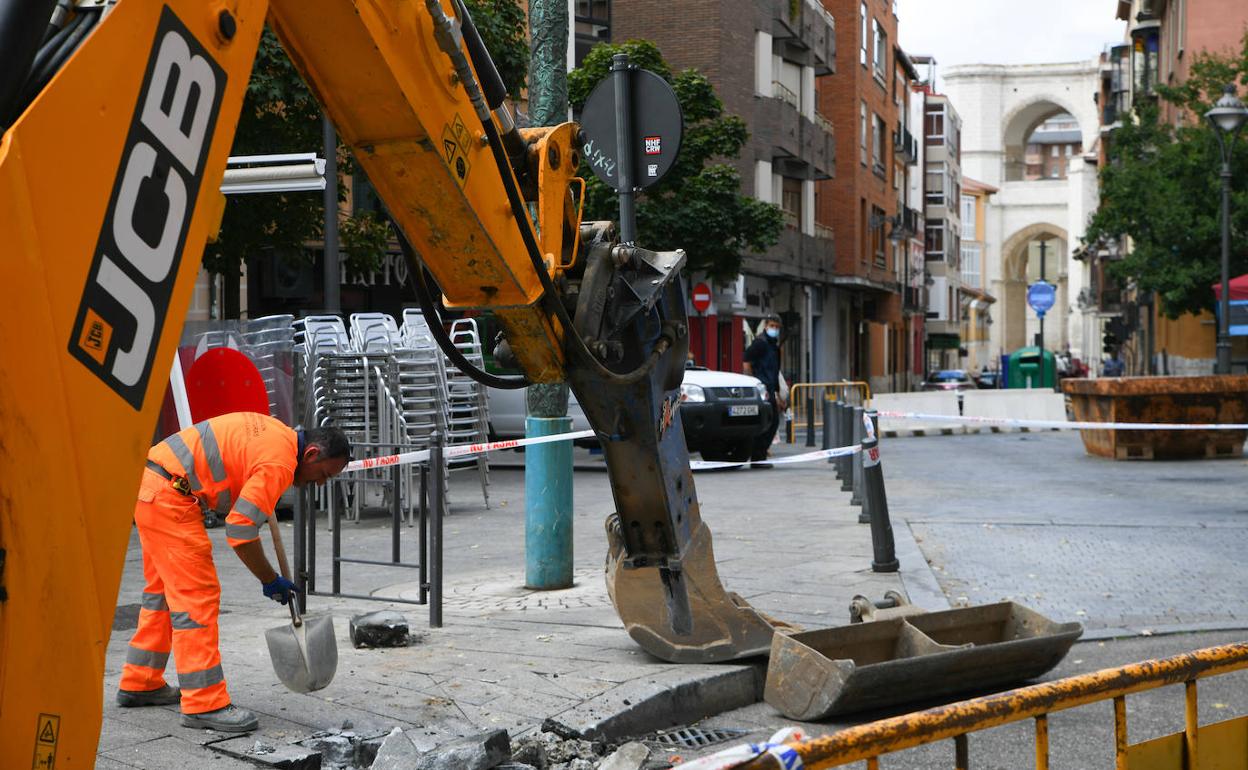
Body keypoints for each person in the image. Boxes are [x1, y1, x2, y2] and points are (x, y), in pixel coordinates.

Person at [116, 412, 351, 732]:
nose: (320, 483)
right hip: (171, 495)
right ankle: (204, 703)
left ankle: (140, 681)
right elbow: (240, 532)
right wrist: (269, 579)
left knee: (162, 593)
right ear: (311, 454)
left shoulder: (278, 435)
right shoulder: (280, 464)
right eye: (323, 474)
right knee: (196, 597)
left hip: (152, 482)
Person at [743, 314, 785, 464]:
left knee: (773, 422)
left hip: (770, 389)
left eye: (777, 327)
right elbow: (746, 361)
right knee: (767, 423)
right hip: (762, 389)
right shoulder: (760, 343)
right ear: (766, 326)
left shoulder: (774, 346)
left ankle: (760, 454)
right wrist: (753, 383)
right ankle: (758, 455)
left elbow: (775, 372)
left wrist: (778, 395)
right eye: (772, 326)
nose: (774, 329)